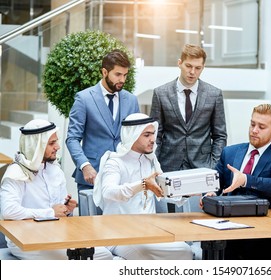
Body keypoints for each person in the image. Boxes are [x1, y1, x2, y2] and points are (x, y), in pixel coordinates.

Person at [0, 119, 112, 260]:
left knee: (104, 255)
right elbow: (9, 211)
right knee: (77, 258)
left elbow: (59, 210)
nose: (58, 147)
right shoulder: (16, 172)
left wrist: (66, 209)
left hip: (56, 235)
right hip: (26, 240)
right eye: (52, 143)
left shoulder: (55, 170)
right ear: (37, 145)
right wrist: (50, 212)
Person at [202, 104, 271, 259]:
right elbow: (215, 184)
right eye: (252, 124)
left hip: (262, 236)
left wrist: (245, 179)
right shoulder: (230, 152)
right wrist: (209, 193)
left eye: (261, 127)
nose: (254, 130)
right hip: (226, 229)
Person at [93, 113, 193, 260]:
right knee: (146, 252)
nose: (153, 139)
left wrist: (189, 192)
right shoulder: (115, 162)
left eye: (153, 134)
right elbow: (108, 192)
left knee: (184, 249)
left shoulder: (151, 161)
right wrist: (143, 185)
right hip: (118, 234)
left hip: (149, 232)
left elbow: (164, 191)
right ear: (132, 136)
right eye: (147, 135)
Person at [66, 49, 140, 210]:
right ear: (104, 72)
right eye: (118, 74)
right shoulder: (84, 99)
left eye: (125, 75)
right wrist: (85, 166)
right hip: (92, 177)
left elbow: (136, 138)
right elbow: (72, 138)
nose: (122, 80)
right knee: (91, 230)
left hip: (123, 180)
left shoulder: (132, 100)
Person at [150, 44, 227, 172]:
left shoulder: (214, 94)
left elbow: (220, 136)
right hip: (168, 165)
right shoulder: (160, 93)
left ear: (203, 67)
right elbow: (156, 134)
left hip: (203, 166)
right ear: (180, 63)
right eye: (188, 66)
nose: (192, 72)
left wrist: (214, 165)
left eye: (198, 68)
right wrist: (154, 167)